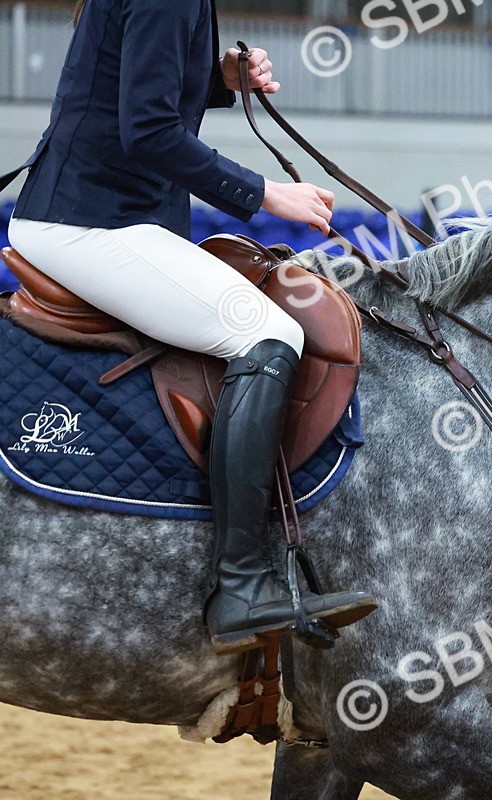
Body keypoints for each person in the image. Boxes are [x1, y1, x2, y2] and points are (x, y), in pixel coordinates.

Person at [0, 0, 376, 654]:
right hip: (92, 223)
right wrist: (264, 194)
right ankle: (243, 587)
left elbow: (139, 77)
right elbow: (145, 129)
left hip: (109, 215)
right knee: (270, 335)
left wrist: (219, 80)